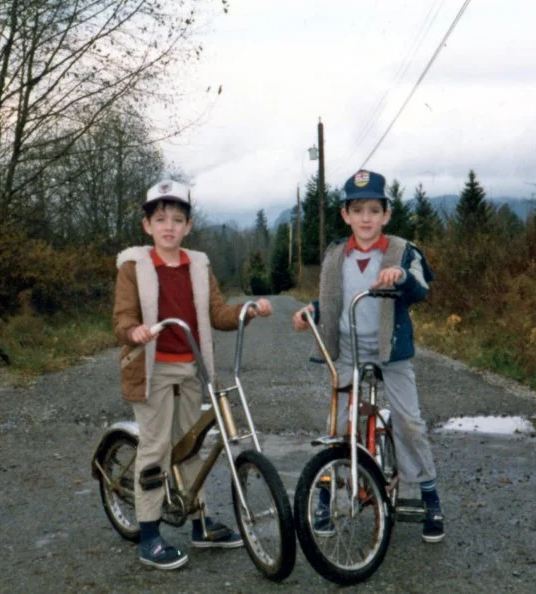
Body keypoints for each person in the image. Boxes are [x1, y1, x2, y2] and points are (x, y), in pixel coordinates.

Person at [113, 179, 273, 570]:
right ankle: (148, 535)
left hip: (190, 367)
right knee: (155, 447)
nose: (169, 226)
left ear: (188, 226)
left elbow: (216, 313)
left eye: (178, 219)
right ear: (147, 225)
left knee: (190, 444)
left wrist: (245, 311)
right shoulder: (134, 266)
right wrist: (133, 330)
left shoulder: (198, 266)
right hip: (150, 369)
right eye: (160, 218)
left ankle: (200, 521)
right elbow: (123, 317)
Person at [291, 169, 444, 544]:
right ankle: (325, 496)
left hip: (390, 351)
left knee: (409, 421)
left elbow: (421, 287)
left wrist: (400, 277)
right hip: (348, 349)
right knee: (339, 424)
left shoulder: (401, 250)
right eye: (357, 210)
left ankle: (429, 495)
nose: (365, 218)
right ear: (345, 215)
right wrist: (310, 311)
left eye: (373, 210)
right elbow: (332, 300)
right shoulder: (335, 255)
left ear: (386, 215)